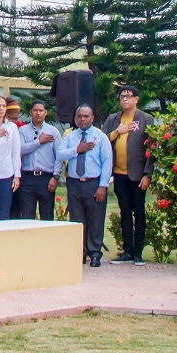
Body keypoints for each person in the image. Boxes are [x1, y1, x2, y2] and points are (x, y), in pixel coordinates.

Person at [102, 85, 154, 265]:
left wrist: (148, 174)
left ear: (136, 99)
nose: (124, 99)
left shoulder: (146, 119)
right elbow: (102, 140)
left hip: (138, 174)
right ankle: (127, 251)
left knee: (139, 212)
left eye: (128, 96)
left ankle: (138, 252)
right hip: (119, 173)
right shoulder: (113, 119)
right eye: (122, 96)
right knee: (125, 212)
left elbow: (152, 149)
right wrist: (118, 132)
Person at [56, 104, 113, 267]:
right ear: (75, 118)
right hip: (74, 183)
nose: (82, 119)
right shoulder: (70, 137)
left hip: (93, 183)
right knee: (77, 219)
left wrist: (103, 186)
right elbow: (59, 154)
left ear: (92, 118)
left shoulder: (101, 137)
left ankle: (95, 252)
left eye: (86, 116)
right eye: (79, 116)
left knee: (95, 219)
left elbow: (107, 163)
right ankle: (79, 252)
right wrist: (77, 150)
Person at [18, 99, 62, 221]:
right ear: (30, 112)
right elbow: (20, 149)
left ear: (45, 113)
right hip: (27, 177)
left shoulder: (53, 132)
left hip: (46, 178)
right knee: (27, 215)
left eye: (41, 110)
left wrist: (56, 176)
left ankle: (47, 240)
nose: (38, 113)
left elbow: (59, 156)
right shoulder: (23, 130)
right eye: (35, 110)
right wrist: (38, 142)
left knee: (47, 215)